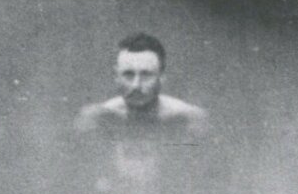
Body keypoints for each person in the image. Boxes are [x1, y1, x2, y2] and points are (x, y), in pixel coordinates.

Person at [75, 32, 207, 131]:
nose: (136, 85)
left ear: (162, 77)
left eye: (146, 75)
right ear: (116, 77)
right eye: (128, 74)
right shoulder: (95, 119)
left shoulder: (188, 118)